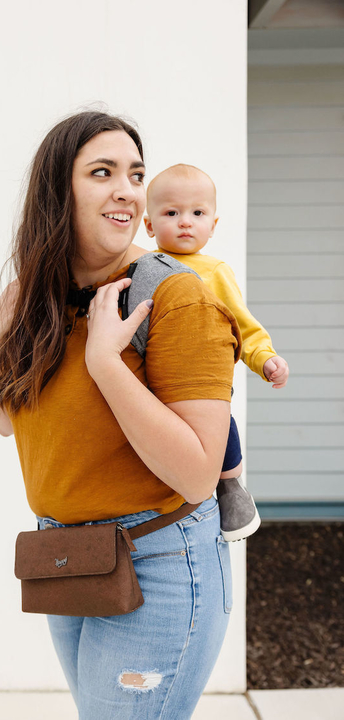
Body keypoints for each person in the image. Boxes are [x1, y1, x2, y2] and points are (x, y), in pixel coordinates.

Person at [0, 112, 241, 719]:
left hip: (159, 560)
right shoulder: (43, 296)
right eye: (103, 172)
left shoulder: (174, 296)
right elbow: (5, 420)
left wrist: (107, 364)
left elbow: (199, 475)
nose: (127, 189)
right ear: (56, 191)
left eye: (136, 173)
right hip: (71, 561)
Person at [144, 163, 289, 543]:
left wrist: (264, 358)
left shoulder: (214, 272)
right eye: (171, 213)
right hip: (155, 380)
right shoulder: (142, 268)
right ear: (148, 225)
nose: (185, 222)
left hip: (204, 382)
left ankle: (230, 489)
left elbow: (243, 325)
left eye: (197, 213)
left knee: (218, 424)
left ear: (214, 223)